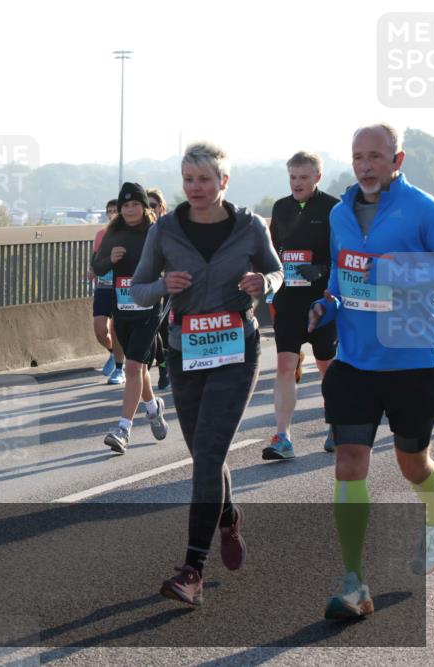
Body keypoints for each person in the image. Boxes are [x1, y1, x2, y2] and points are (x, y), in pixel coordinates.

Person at [131, 141, 283, 606]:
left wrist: (264, 284)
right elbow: (137, 291)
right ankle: (229, 514)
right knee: (205, 457)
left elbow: (277, 273)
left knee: (211, 450)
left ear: (224, 182)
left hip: (238, 351)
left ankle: (192, 570)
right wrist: (163, 285)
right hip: (186, 354)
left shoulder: (250, 226)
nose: (196, 188)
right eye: (189, 179)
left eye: (205, 179)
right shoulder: (167, 230)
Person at [308, 124, 434, 619]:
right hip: (355, 361)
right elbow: (342, 273)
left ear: (397, 160)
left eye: (375, 156)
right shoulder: (341, 213)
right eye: (358, 156)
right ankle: (352, 582)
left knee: (413, 463)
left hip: (413, 361)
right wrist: (327, 304)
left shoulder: (426, 210)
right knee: (348, 459)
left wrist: (402, 270)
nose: (365, 165)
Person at [261, 151, 339, 460]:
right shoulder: (280, 207)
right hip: (289, 299)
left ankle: (336, 424)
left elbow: (345, 255)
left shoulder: (333, 208)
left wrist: (322, 269)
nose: (297, 183)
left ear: (317, 177)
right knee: (285, 364)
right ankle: (283, 436)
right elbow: (271, 254)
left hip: (322, 300)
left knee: (326, 366)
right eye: (293, 177)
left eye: (304, 177)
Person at [92, 183, 169, 452]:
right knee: (139, 368)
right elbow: (97, 267)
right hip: (122, 309)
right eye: (125, 206)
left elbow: (171, 264)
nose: (130, 209)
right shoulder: (114, 232)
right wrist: (110, 260)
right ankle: (152, 406)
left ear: (145, 207)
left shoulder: (156, 232)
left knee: (134, 367)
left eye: (135, 204)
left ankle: (123, 429)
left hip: (149, 309)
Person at [90, 199, 127, 384]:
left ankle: (120, 369)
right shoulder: (101, 235)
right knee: (100, 329)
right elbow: (95, 260)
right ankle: (113, 353)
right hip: (103, 287)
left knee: (116, 328)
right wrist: (92, 270)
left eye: (115, 211)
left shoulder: (128, 234)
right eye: (109, 211)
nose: (112, 214)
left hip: (121, 288)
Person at [147, 188, 171, 390]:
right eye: (145, 206)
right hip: (146, 288)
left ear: (161, 207)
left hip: (169, 285)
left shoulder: (170, 227)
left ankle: (166, 366)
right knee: (152, 329)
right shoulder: (138, 230)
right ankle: (163, 364)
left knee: (160, 327)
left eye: (153, 205)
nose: (149, 209)